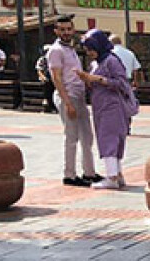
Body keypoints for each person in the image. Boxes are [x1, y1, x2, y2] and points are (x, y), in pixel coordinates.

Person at [76, 29, 134, 190]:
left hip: (112, 107)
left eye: (91, 49)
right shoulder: (96, 63)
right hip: (101, 107)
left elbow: (122, 83)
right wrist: (88, 80)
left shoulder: (111, 61)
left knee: (109, 140)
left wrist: (98, 79)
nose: (89, 53)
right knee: (108, 139)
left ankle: (112, 177)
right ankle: (117, 174)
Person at [47, 16, 100, 187]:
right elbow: (56, 78)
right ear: (56, 31)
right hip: (68, 96)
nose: (66, 32)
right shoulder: (56, 50)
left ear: (73, 29)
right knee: (72, 137)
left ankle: (89, 172)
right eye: (62, 29)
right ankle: (69, 175)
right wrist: (68, 103)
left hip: (79, 96)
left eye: (69, 29)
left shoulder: (71, 49)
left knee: (87, 136)